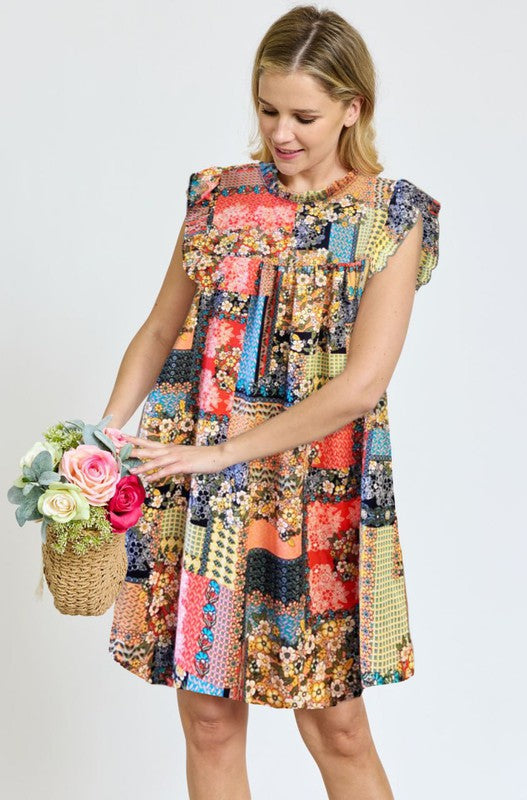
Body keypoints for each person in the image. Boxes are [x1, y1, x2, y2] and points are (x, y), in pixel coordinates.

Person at [105, 5, 441, 799]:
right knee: (210, 718)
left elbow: (360, 385)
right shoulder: (219, 198)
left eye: (303, 115)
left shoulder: (391, 216)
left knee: (338, 726)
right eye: (267, 110)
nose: (280, 133)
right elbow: (158, 332)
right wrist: (102, 438)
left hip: (315, 491)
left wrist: (220, 451)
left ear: (352, 108)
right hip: (199, 482)